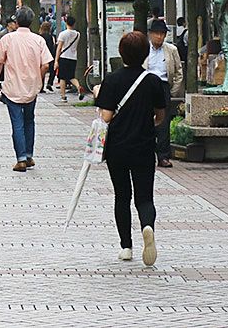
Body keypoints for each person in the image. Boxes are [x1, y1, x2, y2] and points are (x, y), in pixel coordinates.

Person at [93, 30, 166, 266]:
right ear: (145, 53)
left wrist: (98, 97)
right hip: (144, 147)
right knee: (145, 197)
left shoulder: (112, 80)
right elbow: (160, 116)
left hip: (117, 148)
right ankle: (147, 226)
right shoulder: (153, 81)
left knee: (122, 196)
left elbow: (105, 116)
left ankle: (126, 246)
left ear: (121, 52)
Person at [0, 6, 53, 172]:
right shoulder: (39, 40)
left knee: (17, 124)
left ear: (16, 21)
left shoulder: (8, 39)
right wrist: (38, 80)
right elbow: (46, 65)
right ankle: (28, 155)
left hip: (12, 87)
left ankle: (20, 160)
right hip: (32, 88)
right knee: (29, 121)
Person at [145, 19, 184, 169]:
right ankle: (146, 153)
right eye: (157, 34)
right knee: (145, 120)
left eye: (163, 34)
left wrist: (172, 91)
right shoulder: (144, 48)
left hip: (163, 86)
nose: (160, 37)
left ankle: (163, 156)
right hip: (146, 85)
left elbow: (179, 72)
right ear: (150, 35)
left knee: (163, 122)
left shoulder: (171, 50)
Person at [55, 15, 83, 102]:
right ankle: (79, 87)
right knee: (71, 77)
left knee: (62, 78)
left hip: (64, 57)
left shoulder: (63, 34)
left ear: (66, 23)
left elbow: (59, 48)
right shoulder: (78, 34)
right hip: (73, 58)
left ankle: (63, 96)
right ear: (74, 24)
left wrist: (56, 60)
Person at [39, 21, 58, 92]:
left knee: (43, 69)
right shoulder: (52, 36)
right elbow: (53, 46)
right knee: (53, 70)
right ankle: (50, 82)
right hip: (50, 55)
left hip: (41, 55)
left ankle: (41, 87)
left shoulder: (39, 36)